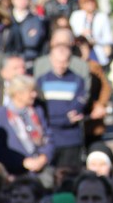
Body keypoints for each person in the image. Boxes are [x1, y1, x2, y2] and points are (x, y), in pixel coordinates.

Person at [0, 75, 54, 179]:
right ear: (18, 94)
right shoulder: (0, 114)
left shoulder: (37, 111)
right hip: (14, 172)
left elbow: (48, 137)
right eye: (31, 91)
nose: (34, 94)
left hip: (40, 171)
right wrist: (23, 162)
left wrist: (43, 158)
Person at [36, 40, 87, 169]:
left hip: (70, 139)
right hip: (49, 138)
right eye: (58, 61)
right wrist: (63, 118)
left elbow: (75, 110)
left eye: (65, 61)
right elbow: (42, 110)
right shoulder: (41, 81)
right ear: (51, 60)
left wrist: (59, 118)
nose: (61, 65)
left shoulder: (77, 80)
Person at [69, 0, 113, 66]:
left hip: (96, 49)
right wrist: (81, 34)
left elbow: (108, 38)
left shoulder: (102, 17)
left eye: (92, 1)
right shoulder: (76, 16)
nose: (90, 4)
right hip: (80, 48)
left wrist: (96, 40)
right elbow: (70, 34)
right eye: (86, 2)